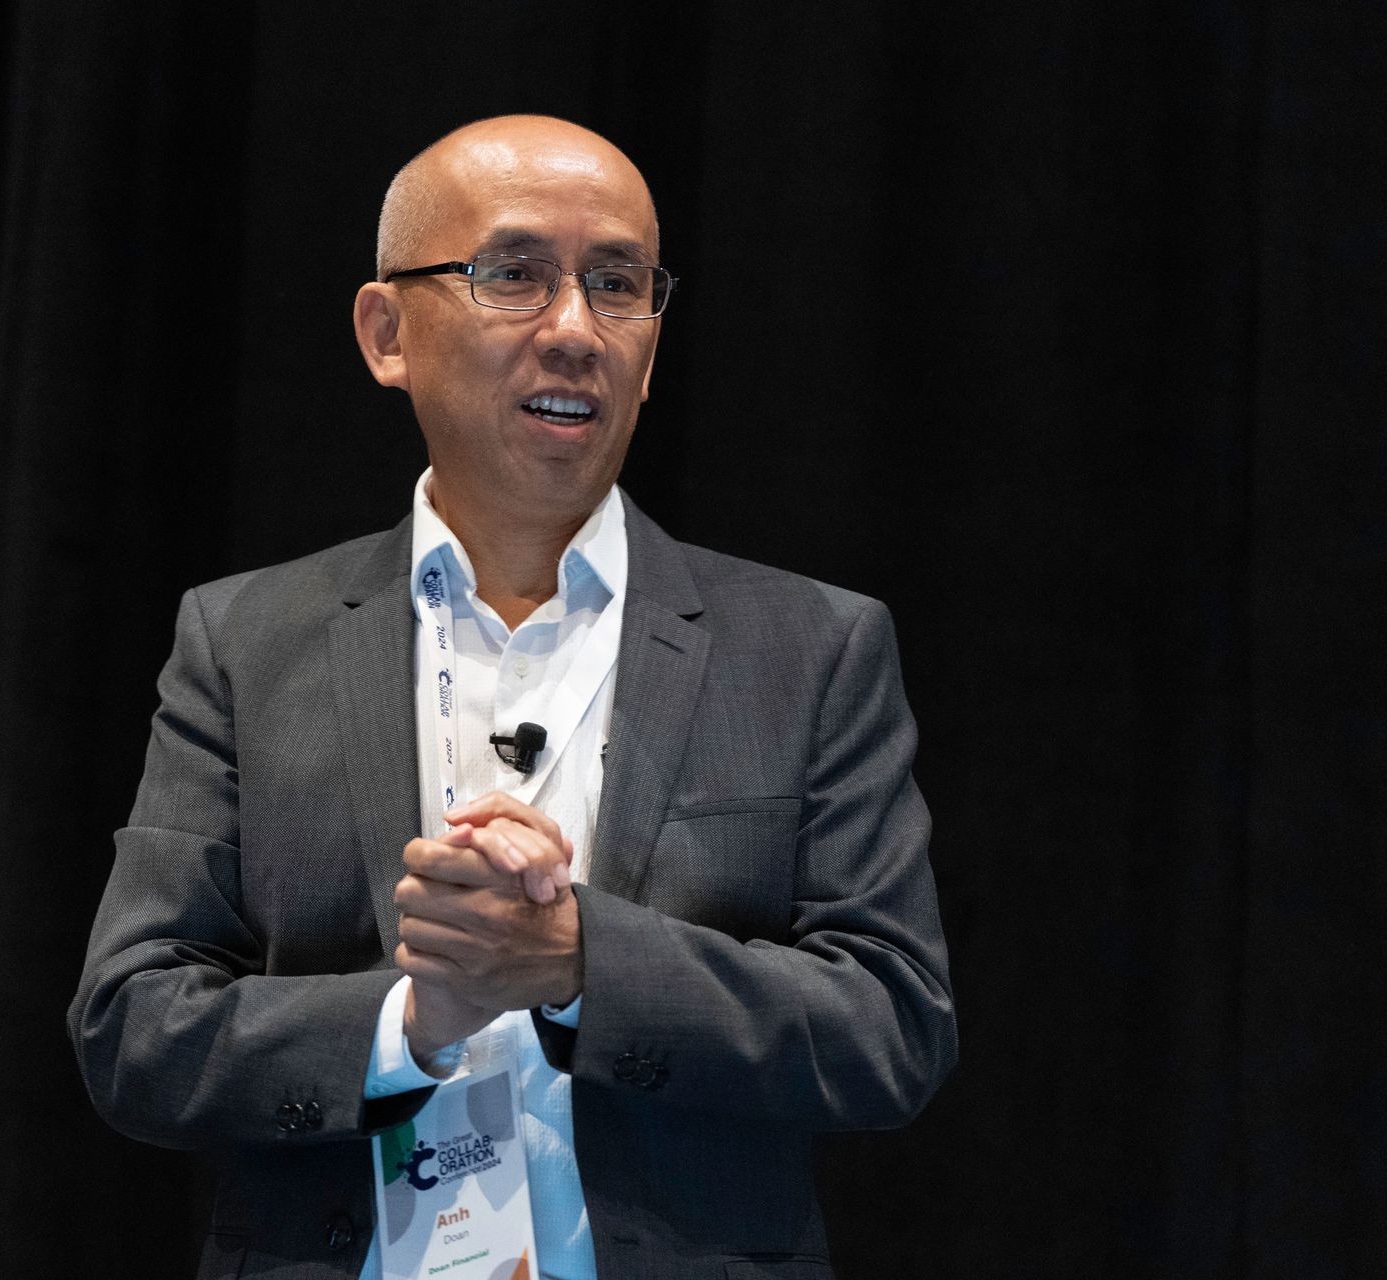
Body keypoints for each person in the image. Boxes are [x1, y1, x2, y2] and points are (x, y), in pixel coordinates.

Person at [69, 114, 957, 1280]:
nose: (577, 329)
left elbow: (892, 1026)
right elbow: (133, 1028)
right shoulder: (246, 639)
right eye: (514, 276)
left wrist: (582, 960)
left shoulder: (808, 646)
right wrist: (409, 1025)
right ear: (387, 332)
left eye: (618, 284)